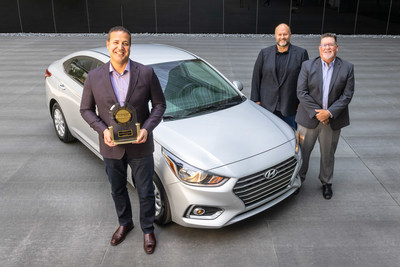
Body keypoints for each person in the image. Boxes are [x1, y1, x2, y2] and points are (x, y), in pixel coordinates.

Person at [80, 26, 166, 253]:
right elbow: (86, 109)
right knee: (117, 189)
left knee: (145, 190)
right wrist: (103, 130)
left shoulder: (145, 73)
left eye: (125, 43)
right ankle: (125, 223)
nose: (120, 47)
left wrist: (147, 129)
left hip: (140, 145)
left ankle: (147, 229)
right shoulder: (94, 77)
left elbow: (159, 105)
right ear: (107, 44)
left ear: (130, 46)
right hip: (111, 147)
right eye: (116, 42)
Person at [296, 33, 355, 199]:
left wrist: (328, 113)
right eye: (324, 45)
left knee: (328, 154)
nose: (327, 47)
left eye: (330, 44)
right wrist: (319, 114)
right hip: (308, 119)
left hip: (332, 120)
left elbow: (347, 95)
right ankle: (298, 180)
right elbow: (301, 92)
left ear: (336, 48)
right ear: (319, 48)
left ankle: (326, 182)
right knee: (302, 153)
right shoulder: (307, 66)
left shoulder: (347, 68)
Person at [251, 23, 309, 129]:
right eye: (280, 34)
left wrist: (302, 102)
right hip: (267, 106)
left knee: (292, 137)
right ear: (275, 35)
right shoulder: (264, 53)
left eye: (285, 34)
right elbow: (256, 78)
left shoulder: (301, 54)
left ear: (290, 35)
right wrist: (256, 101)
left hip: (291, 107)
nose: (282, 37)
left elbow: (306, 80)